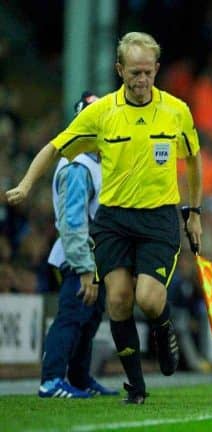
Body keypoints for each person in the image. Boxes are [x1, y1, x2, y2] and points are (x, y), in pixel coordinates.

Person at [5, 32, 203, 404]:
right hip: (114, 221)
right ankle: (136, 387)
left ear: (157, 70)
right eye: (134, 73)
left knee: (147, 297)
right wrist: (26, 183)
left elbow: (193, 159)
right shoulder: (103, 112)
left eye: (148, 72)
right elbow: (54, 147)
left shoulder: (176, 110)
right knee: (117, 300)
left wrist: (194, 212)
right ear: (119, 70)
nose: (141, 80)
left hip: (158, 218)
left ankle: (163, 327)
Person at [39, 91, 118, 398]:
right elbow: (73, 223)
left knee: (89, 317)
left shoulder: (97, 161)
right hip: (79, 254)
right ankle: (51, 379)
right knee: (72, 315)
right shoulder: (78, 165)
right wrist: (85, 266)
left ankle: (79, 377)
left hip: (94, 254)